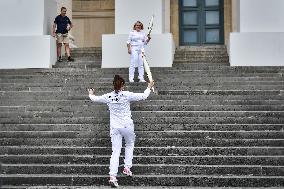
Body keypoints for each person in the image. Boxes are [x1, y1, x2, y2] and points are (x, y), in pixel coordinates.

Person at [88, 75, 154, 188]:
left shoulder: (108, 96)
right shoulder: (127, 95)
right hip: (127, 126)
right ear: (123, 85)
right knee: (129, 144)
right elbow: (143, 96)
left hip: (115, 127)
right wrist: (149, 86)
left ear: (113, 85)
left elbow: (95, 98)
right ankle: (127, 168)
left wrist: (90, 93)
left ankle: (112, 176)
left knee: (115, 151)